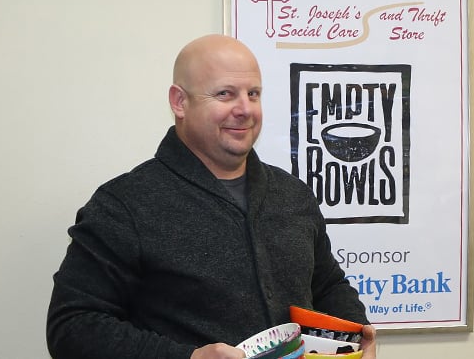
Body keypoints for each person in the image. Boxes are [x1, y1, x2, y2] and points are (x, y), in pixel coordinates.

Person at [46, 34, 377, 359]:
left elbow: (327, 286)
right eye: (225, 94)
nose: (245, 109)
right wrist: (188, 357)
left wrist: (356, 334)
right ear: (179, 102)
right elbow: (73, 328)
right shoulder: (123, 206)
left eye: (254, 93)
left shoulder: (293, 195)